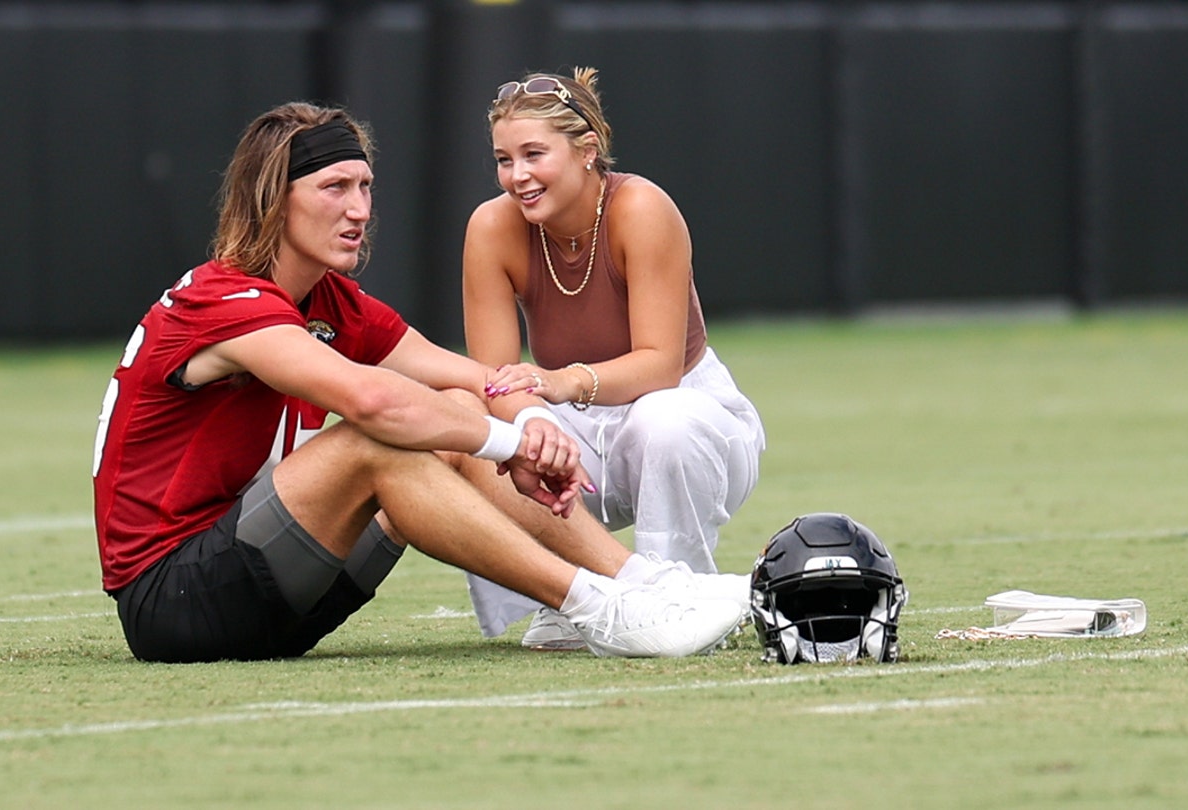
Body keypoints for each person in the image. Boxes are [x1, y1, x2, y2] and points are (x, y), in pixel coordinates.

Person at [90, 101, 747, 664]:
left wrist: (530, 413)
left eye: (365, 186)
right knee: (377, 442)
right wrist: (508, 444)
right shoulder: (224, 299)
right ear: (273, 197)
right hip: (172, 598)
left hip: (278, 587)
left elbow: (473, 380)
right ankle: (598, 608)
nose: (359, 210)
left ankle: (642, 585)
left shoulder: (331, 302)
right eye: (334, 188)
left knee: (453, 415)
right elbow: (371, 400)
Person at [460, 68, 767, 649]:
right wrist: (534, 426)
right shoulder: (490, 227)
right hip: (577, 417)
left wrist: (557, 383)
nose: (517, 176)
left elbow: (659, 370)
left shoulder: (642, 207)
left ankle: (682, 597)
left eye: (533, 154)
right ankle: (569, 595)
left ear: (587, 151)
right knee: (474, 433)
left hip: (692, 418)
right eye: (504, 159)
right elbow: (497, 384)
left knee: (664, 419)